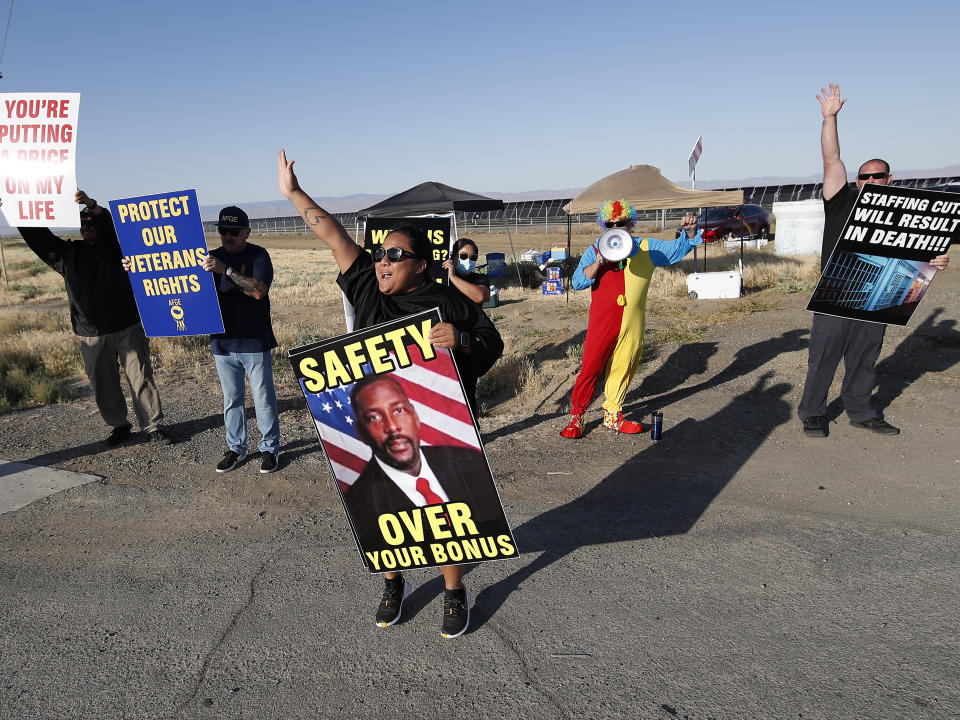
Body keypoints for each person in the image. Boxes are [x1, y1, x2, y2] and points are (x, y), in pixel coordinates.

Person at [278, 148, 504, 638]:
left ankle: (452, 591)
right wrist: (294, 194)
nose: (382, 260)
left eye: (395, 255)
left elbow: (492, 342)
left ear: (421, 266)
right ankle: (393, 583)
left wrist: (459, 339)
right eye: (380, 253)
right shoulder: (367, 289)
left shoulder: (445, 301)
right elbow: (331, 233)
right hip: (382, 431)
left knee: (449, 516)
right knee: (385, 509)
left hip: (437, 425)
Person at [798, 84, 950, 438]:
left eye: (876, 176)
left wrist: (933, 262)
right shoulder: (841, 201)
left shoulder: (903, 214)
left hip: (880, 298)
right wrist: (830, 118)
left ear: (889, 179)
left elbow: (916, 255)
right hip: (838, 293)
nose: (869, 181)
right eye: (863, 177)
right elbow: (831, 160)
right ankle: (813, 413)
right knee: (823, 358)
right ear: (856, 180)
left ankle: (861, 410)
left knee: (864, 360)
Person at [11, 190, 170, 446]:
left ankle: (152, 426)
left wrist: (91, 204)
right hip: (91, 334)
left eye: (91, 224)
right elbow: (39, 238)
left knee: (141, 377)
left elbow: (107, 222)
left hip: (126, 325)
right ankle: (119, 425)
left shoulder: (116, 250)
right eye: (83, 224)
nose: (87, 228)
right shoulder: (67, 255)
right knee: (104, 383)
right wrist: (17, 211)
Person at [560, 199, 703, 438]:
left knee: (625, 364)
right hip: (603, 320)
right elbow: (577, 282)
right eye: (610, 223)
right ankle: (577, 416)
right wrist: (599, 262)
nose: (616, 226)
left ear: (630, 223)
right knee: (591, 366)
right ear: (603, 226)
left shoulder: (647, 247)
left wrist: (689, 232)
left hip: (633, 320)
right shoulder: (595, 249)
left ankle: (613, 414)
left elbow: (676, 250)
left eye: (622, 222)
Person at [201, 207, 281, 472]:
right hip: (223, 343)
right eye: (223, 231)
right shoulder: (210, 258)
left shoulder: (258, 255)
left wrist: (226, 271)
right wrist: (136, 267)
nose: (227, 236)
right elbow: (175, 278)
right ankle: (236, 449)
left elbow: (259, 291)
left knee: (263, 399)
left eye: (234, 232)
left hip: (254, 342)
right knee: (232, 400)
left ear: (247, 232)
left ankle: (270, 449)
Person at [441, 237, 491, 305]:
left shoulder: (480, 278)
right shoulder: (444, 278)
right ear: (454, 257)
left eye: (473, 257)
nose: (468, 260)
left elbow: (481, 297)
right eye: (463, 256)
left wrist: (453, 277)